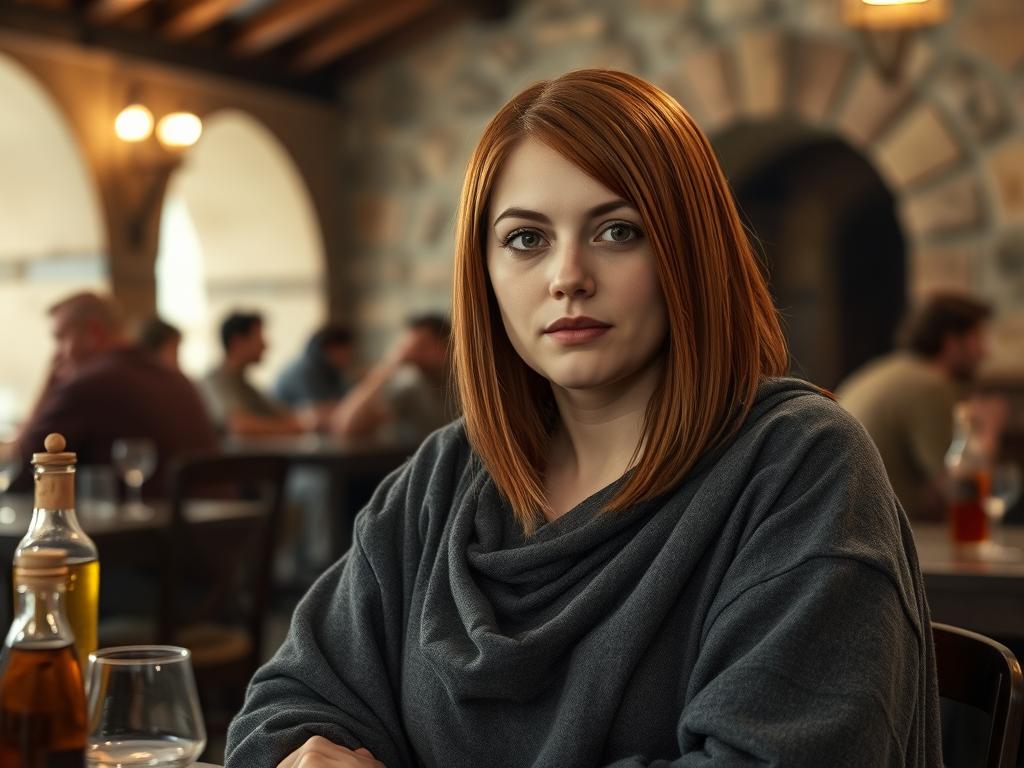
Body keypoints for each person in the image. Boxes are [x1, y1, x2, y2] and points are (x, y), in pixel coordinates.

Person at [227, 70, 939, 767]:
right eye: (525, 240)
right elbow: (286, 703)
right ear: (485, 273)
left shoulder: (801, 466)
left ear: (689, 253)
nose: (567, 275)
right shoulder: (447, 476)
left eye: (617, 230)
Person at [1, 291, 217, 496]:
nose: (56, 354)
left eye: (61, 338)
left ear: (94, 332)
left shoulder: (88, 384)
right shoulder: (175, 377)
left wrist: (47, 389)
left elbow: (26, 471)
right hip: (213, 524)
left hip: (143, 531)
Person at [837, 293, 993, 521]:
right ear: (951, 342)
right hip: (886, 534)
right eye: (978, 338)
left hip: (850, 526)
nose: (985, 353)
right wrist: (988, 433)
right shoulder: (930, 386)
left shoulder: (883, 371)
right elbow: (961, 494)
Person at [329, 314, 456, 443]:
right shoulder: (410, 387)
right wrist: (391, 363)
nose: (415, 352)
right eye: (412, 346)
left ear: (448, 345)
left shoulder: (466, 386)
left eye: (423, 346)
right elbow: (346, 425)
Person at [201, 311, 312, 437]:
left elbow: (288, 417)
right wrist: (287, 428)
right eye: (259, 337)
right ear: (237, 341)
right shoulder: (214, 381)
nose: (265, 345)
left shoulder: (245, 385)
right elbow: (239, 426)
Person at [274, 324, 354, 409]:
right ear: (330, 349)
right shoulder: (303, 372)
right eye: (346, 353)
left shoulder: (332, 372)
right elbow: (320, 410)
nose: (349, 357)